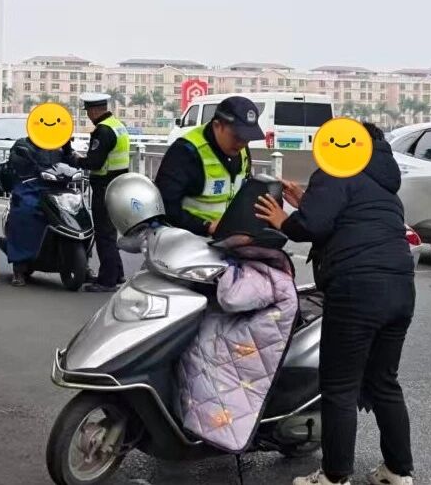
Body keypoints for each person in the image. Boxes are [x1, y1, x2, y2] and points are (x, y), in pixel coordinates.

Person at [255, 123, 416, 485]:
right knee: (384, 382)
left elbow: (313, 226)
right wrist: (306, 203)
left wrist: (284, 220)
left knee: (339, 388)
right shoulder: (383, 181)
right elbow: (341, 217)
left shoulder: (337, 170)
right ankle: (397, 472)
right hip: (400, 289)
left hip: (356, 290)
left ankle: (334, 477)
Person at [154, 96, 264, 237]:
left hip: (228, 238)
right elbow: (164, 204)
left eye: (247, 138)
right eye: (237, 136)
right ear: (217, 125)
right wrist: (206, 226)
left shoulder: (242, 150)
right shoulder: (186, 151)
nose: (242, 143)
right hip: (187, 238)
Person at [2, 137, 77, 286]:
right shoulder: (23, 144)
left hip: (57, 187)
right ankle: (19, 267)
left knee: (75, 211)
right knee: (25, 211)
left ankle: (81, 263)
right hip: (31, 187)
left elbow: (73, 163)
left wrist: (68, 149)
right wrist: (27, 161)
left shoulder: (59, 143)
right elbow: (15, 162)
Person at [75, 92, 129, 292]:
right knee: (110, 232)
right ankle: (117, 274)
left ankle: (107, 281)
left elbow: (95, 163)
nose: (88, 116)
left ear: (94, 111)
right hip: (118, 185)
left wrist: (75, 159)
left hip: (105, 187)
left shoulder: (103, 131)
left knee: (104, 234)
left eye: (88, 112)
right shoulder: (118, 125)